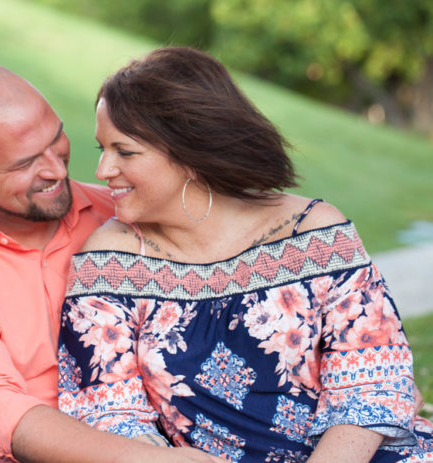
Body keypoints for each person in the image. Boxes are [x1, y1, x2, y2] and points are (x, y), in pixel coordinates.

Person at [57, 47, 433, 462]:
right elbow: (107, 414)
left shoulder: (313, 231)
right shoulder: (109, 263)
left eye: (124, 151)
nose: (103, 169)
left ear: (189, 155)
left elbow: (372, 383)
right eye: (101, 149)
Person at [0, 62, 224, 462]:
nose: (56, 168)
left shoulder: (120, 217)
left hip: (124, 446)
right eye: (24, 163)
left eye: (56, 138)